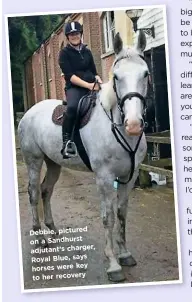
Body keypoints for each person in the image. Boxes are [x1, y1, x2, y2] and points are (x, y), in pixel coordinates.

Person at [58, 21, 102, 159]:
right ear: (67, 37)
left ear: (80, 34)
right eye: (71, 34)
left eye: (76, 33)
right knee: (71, 108)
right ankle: (67, 142)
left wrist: (99, 80)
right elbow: (70, 76)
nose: (74, 36)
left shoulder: (87, 51)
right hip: (75, 88)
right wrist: (89, 86)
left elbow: (94, 72)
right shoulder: (64, 54)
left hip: (92, 85)